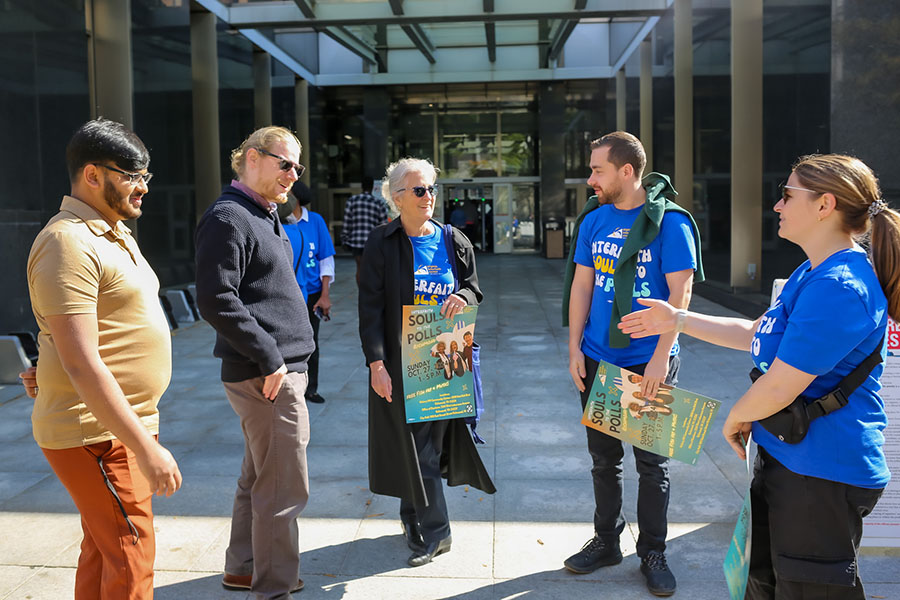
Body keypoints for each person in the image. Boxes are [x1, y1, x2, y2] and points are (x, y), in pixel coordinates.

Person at [618, 154, 900, 600]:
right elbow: (757, 333)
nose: (777, 206)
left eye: (787, 195)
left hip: (822, 471)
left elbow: (782, 383)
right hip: (789, 460)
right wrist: (679, 320)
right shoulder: (813, 272)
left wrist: (737, 417)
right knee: (766, 584)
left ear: (824, 205)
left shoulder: (841, 286)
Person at [22, 118, 182, 599]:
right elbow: (82, 362)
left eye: (146, 176)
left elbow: (72, 332)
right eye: (132, 175)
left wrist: (46, 367)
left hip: (116, 426)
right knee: (131, 552)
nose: (143, 187)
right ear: (93, 175)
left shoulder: (111, 230)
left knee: (104, 549)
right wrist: (146, 449)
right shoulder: (67, 241)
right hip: (97, 432)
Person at [562, 131, 704, 597]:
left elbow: (680, 295)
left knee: (651, 464)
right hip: (600, 356)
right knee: (603, 461)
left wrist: (663, 357)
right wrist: (574, 348)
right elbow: (582, 286)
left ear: (627, 171)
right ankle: (606, 541)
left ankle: (653, 551)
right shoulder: (595, 221)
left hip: (648, 361)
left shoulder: (669, 224)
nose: (590, 179)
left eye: (597, 170)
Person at [195, 126, 315, 599]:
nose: (293, 174)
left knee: (259, 478)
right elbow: (216, 299)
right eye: (284, 163)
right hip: (267, 377)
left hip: (273, 373)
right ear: (251, 158)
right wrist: (271, 360)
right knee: (284, 490)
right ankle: (274, 588)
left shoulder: (263, 215)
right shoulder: (229, 217)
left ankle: (243, 568)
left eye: (297, 167)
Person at [358, 157, 496, 567]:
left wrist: (463, 298)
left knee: (425, 450)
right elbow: (370, 310)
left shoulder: (454, 240)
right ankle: (413, 518)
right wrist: (375, 364)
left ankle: (436, 532)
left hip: (446, 357)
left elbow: (474, 290)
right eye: (419, 190)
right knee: (407, 443)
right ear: (397, 197)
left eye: (432, 189)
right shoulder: (382, 243)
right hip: (401, 360)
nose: (429, 197)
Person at [283, 182, 336, 404]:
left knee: (310, 341)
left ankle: (310, 388)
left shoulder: (315, 221)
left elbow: (326, 259)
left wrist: (325, 295)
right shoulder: (278, 222)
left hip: (312, 294)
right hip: (285, 295)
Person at [342, 175, 388, 284]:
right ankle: (370, 290)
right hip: (373, 242)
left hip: (356, 242)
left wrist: (344, 239)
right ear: (372, 187)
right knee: (372, 269)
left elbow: (347, 222)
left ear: (361, 187)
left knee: (360, 268)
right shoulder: (379, 203)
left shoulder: (352, 201)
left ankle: (362, 292)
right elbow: (383, 225)